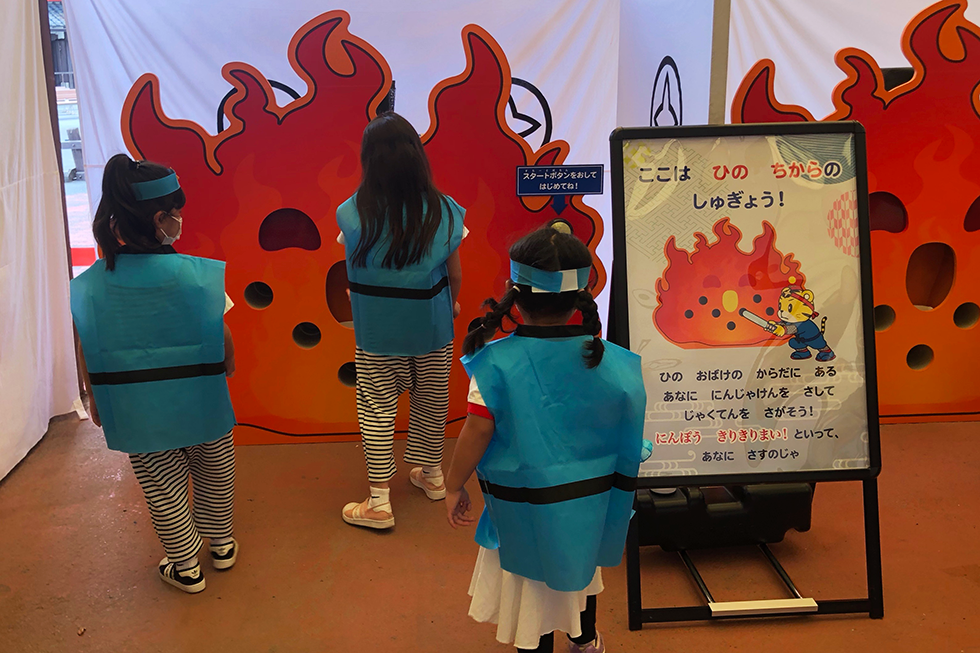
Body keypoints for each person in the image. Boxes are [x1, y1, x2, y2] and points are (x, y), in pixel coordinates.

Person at [443, 225, 649, 652]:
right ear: (582, 295)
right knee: (583, 572)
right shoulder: (613, 362)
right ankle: (585, 641)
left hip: (524, 510)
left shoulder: (495, 364)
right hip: (587, 505)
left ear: (512, 291)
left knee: (530, 594)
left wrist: (452, 484)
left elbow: (478, 430)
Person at [71, 154, 238, 594]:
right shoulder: (196, 276)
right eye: (176, 212)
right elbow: (223, 336)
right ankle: (222, 545)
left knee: (163, 485)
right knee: (214, 471)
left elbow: (88, 343)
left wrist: (93, 395)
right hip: (201, 398)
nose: (181, 219)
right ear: (161, 219)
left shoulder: (92, 285)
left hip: (135, 405)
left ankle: (186, 567)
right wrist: (228, 367)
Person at [336, 112, 465, 529]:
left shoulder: (351, 213)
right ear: (417, 156)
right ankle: (433, 476)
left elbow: (354, 274)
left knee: (376, 408)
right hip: (433, 329)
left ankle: (379, 501)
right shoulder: (446, 211)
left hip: (377, 333)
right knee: (432, 399)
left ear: (368, 160)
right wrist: (451, 305)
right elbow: (455, 275)